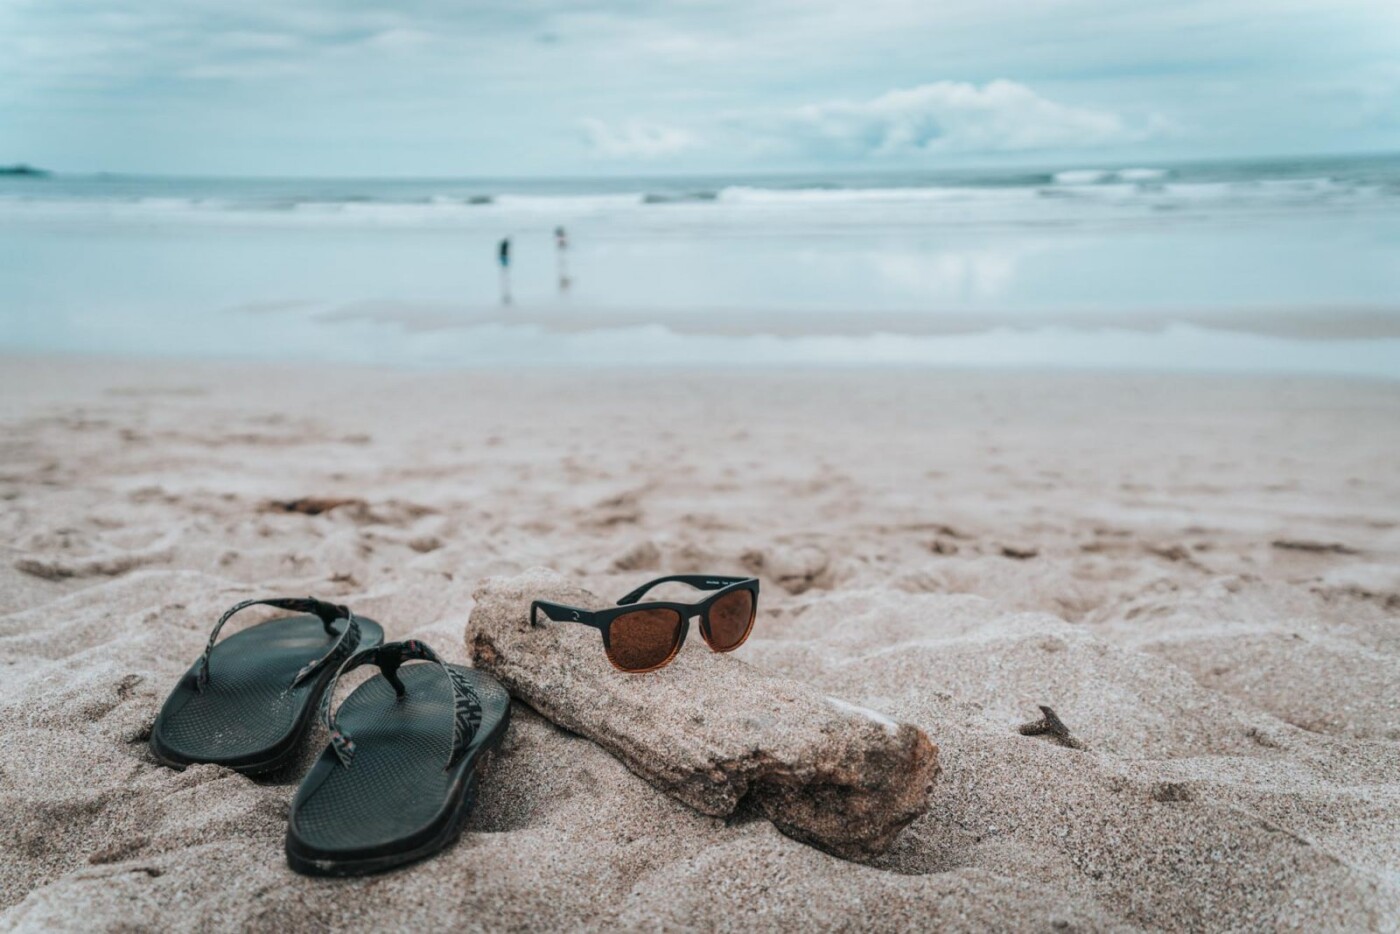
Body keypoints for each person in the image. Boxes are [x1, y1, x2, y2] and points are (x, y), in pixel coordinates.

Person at [554, 226, 571, 292]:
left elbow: (560, 239)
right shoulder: (562, 236)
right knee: (562, 252)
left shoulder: (560, 235)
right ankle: (562, 261)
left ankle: (562, 261)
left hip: (561, 243)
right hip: (562, 243)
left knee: (562, 253)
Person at [497, 237, 511, 305]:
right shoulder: (505, 245)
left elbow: (502, 251)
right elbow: (503, 252)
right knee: (505, 272)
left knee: (504, 272)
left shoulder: (504, 245)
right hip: (504, 257)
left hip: (504, 257)